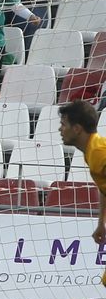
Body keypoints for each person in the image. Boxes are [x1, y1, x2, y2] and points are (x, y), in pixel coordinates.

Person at [57, 100, 106, 286]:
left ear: (77, 128)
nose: (60, 129)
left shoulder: (100, 153)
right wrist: (101, 222)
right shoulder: (92, 152)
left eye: (63, 124)